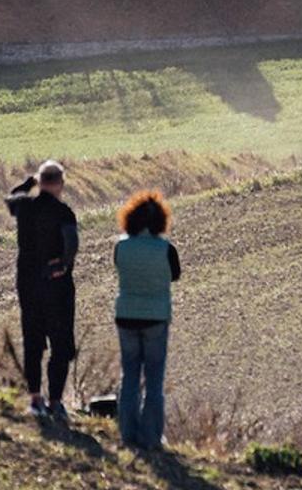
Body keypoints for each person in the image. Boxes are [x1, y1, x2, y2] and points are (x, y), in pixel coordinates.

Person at [6, 160, 78, 420]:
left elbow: (11, 197)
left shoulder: (25, 207)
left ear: (40, 181)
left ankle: (35, 398)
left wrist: (29, 182)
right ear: (60, 184)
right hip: (56, 285)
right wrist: (63, 264)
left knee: (33, 342)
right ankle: (56, 401)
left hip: (28, 284)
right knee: (60, 344)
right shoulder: (63, 211)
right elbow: (71, 241)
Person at [112, 188, 180, 453]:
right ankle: (151, 437)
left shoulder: (121, 246)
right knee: (154, 378)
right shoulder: (166, 249)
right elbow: (175, 275)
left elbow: (119, 267)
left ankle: (127, 432)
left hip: (125, 315)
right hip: (156, 317)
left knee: (129, 374)